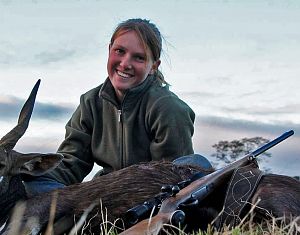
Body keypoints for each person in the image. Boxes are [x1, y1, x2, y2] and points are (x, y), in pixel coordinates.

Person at [24, 18, 212, 196]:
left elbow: (172, 175)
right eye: (120, 51)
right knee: (31, 185)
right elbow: (70, 165)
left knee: (194, 164)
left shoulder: (168, 108)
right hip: (103, 193)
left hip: (148, 196)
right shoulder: (90, 102)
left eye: (139, 58)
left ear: (154, 66)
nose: (125, 64)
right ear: (109, 50)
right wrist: (27, 176)